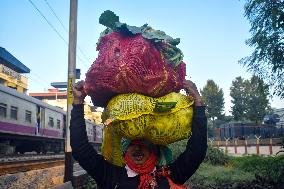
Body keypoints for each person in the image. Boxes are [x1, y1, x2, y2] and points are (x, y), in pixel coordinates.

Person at [70, 80, 207, 189]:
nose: (137, 148)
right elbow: (80, 149)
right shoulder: (110, 175)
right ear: (123, 150)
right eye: (131, 144)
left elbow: (197, 151)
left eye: (143, 144)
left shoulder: (168, 174)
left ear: (154, 148)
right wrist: (77, 103)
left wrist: (199, 105)